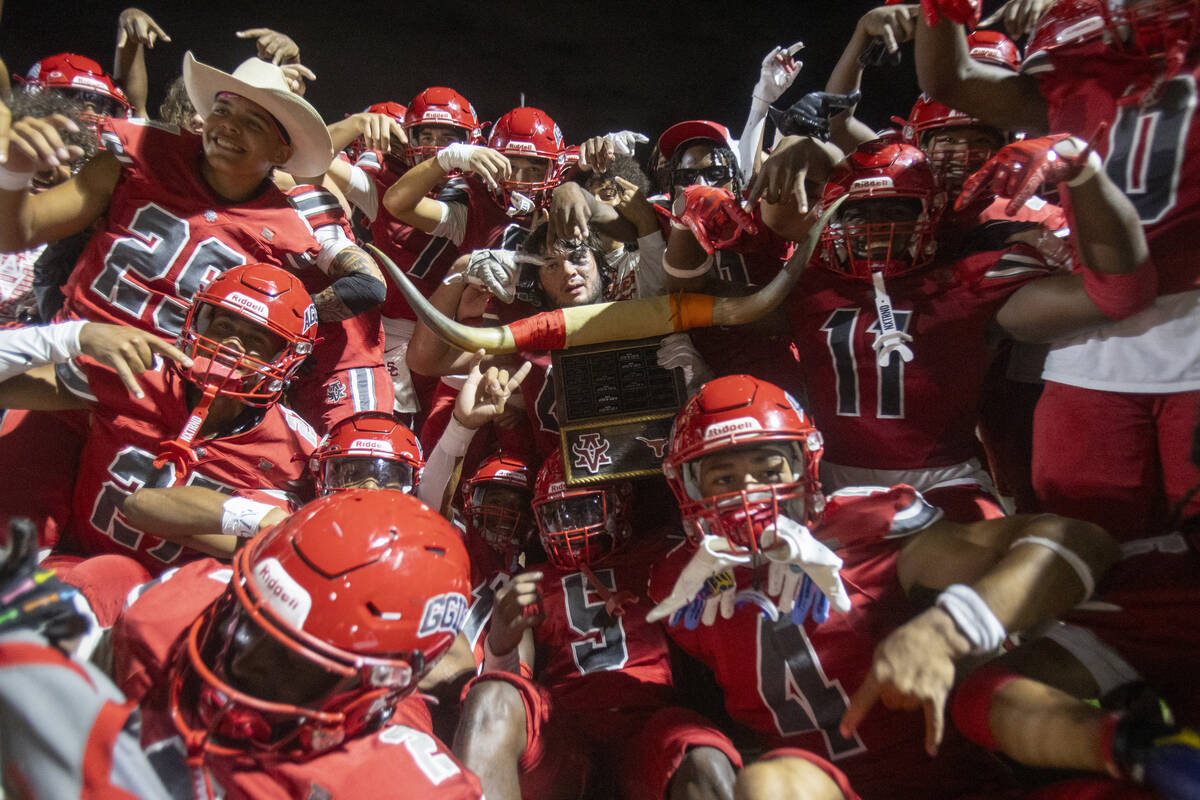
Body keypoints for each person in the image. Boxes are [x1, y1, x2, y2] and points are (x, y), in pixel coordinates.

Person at [646, 374, 1135, 799]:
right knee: (774, 785)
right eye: (724, 476)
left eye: (769, 470)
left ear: (805, 465)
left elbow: (1077, 540)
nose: (750, 493)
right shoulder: (680, 584)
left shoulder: (871, 527)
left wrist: (953, 627)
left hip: (951, 780)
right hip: (814, 786)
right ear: (689, 488)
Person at [914, 0, 1200, 538]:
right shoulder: (1066, 89)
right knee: (1083, 541)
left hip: (1181, 315)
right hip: (1090, 337)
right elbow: (949, 78)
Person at [785, 136, 1149, 521]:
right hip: (830, 483)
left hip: (947, 483)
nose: (877, 227)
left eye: (896, 210)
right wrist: (795, 141)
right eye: (858, 213)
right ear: (828, 217)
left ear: (932, 213)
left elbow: (1117, 291)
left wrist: (1083, 172)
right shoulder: (804, 286)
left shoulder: (969, 282)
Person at [110, 489, 486, 799]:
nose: (242, 664)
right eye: (240, 621)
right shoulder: (163, 616)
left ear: (383, 687)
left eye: (287, 663)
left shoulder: (400, 786)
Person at [452, 450, 740, 800]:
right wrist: (501, 643)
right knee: (490, 696)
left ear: (619, 506)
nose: (569, 525)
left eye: (582, 509)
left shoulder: (658, 559)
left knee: (704, 757)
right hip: (564, 731)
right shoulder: (535, 580)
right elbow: (513, 685)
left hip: (648, 728)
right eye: (556, 515)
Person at [0, 264, 321, 573]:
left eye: (256, 341)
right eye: (223, 327)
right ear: (198, 322)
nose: (230, 347)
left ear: (287, 359)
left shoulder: (297, 451)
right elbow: (7, 388)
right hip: (72, 559)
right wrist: (73, 338)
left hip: (173, 602)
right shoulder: (142, 372)